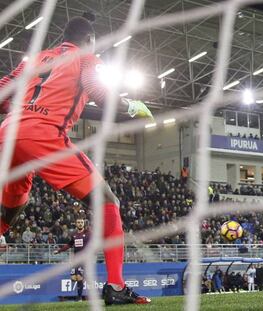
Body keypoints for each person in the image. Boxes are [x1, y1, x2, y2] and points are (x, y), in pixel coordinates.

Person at [0, 16, 153, 305]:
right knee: (108, 202)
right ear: (89, 40)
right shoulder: (87, 58)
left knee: (15, 204)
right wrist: (132, 105)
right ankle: (117, 287)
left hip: (8, 133)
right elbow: (99, 94)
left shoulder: (34, 59)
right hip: (44, 134)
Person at [54, 218, 89, 301]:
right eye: (78, 222)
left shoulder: (88, 233)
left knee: (79, 277)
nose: (80, 224)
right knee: (74, 278)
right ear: (76, 224)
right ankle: (80, 289)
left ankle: (79, 297)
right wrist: (59, 250)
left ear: (84, 224)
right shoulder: (74, 234)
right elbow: (69, 244)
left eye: (81, 222)